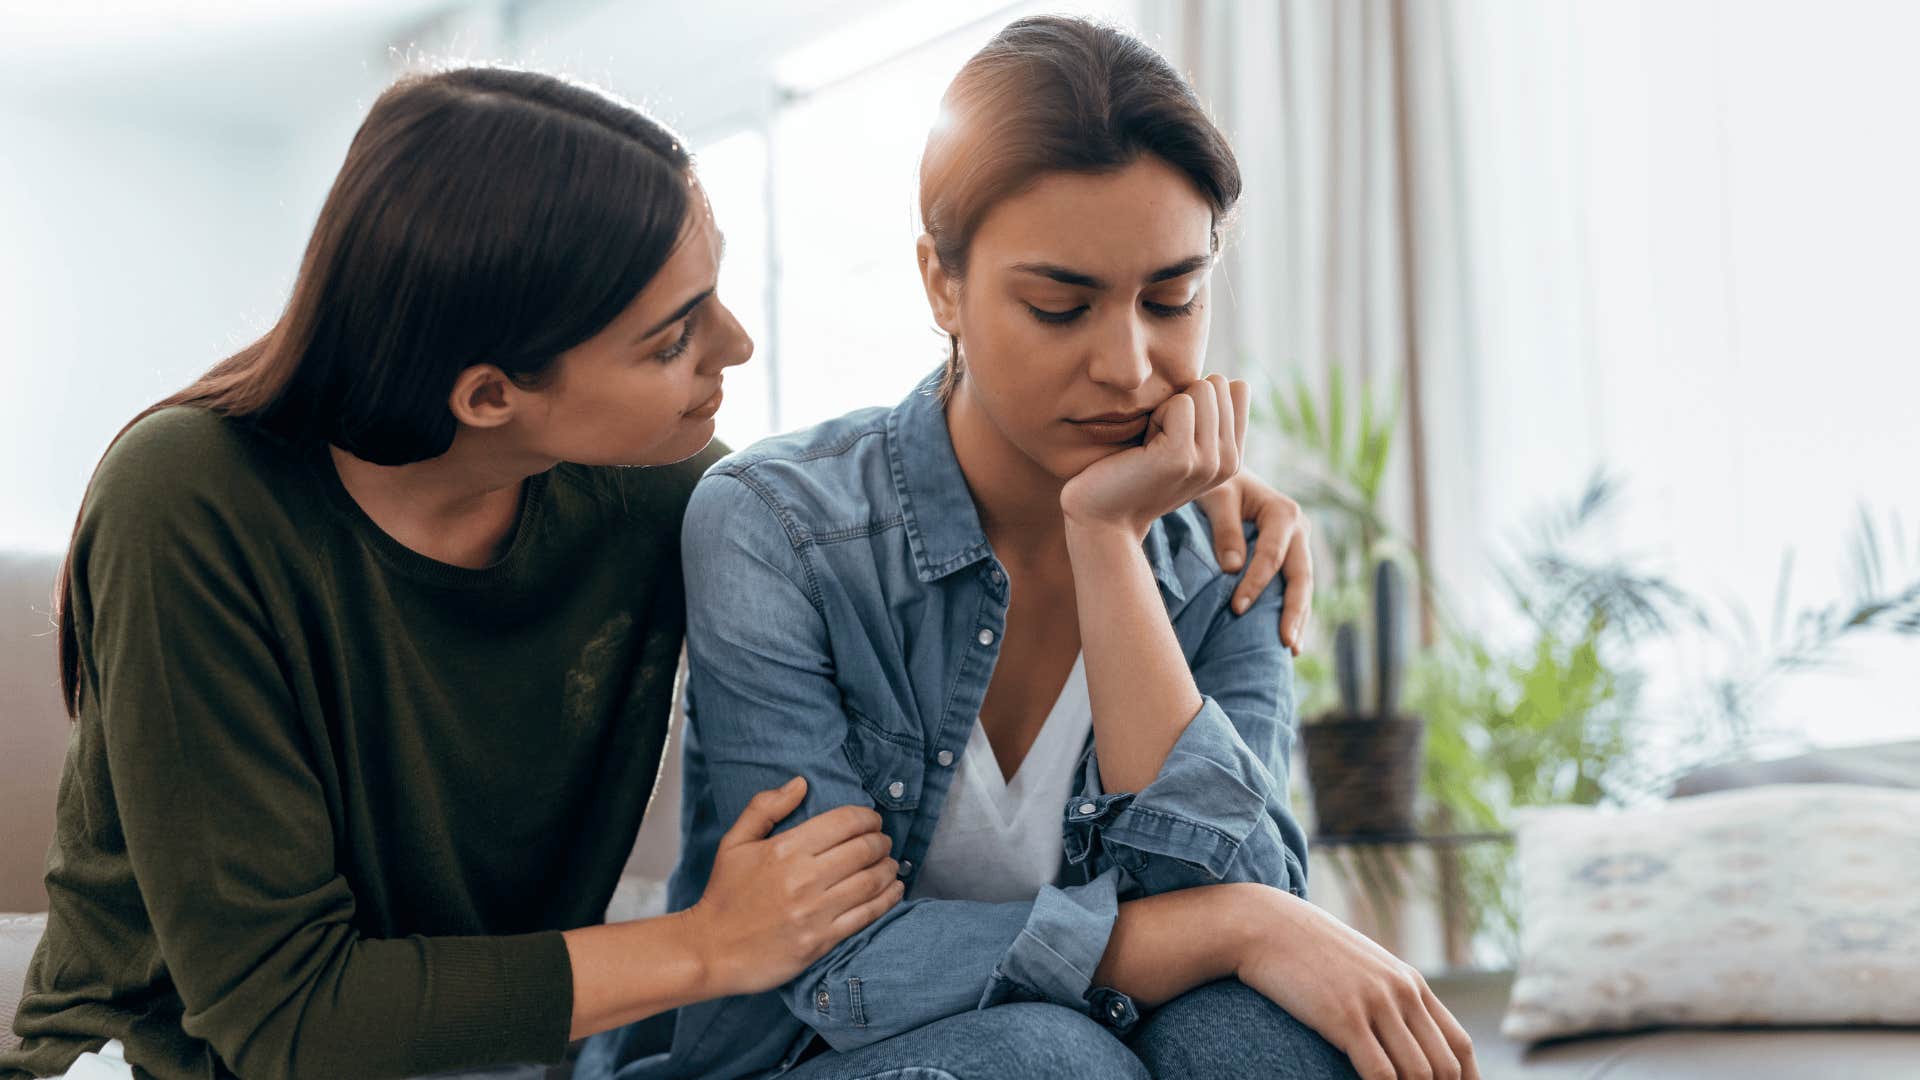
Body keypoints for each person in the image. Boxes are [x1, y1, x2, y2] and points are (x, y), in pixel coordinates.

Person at [3, 64, 1315, 1080]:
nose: (734, 347)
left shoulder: (654, 491)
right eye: (676, 336)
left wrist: (1168, 491)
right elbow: (279, 1012)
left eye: (719, 297)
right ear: (490, 395)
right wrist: (705, 948)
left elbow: (887, 498)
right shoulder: (191, 498)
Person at [581, 17, 1476, 1080]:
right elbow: (830, 966)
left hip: (1086, 1040)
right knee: (1047, 1059)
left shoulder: (1229, 548)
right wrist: (1232, 926)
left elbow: (1247, 882)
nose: (1130, 366)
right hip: (803, 1058)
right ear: (942, 285)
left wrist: (1107, 544)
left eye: (1173, 299)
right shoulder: (780, 527)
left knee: (1270, 1045)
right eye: (1061, 307)